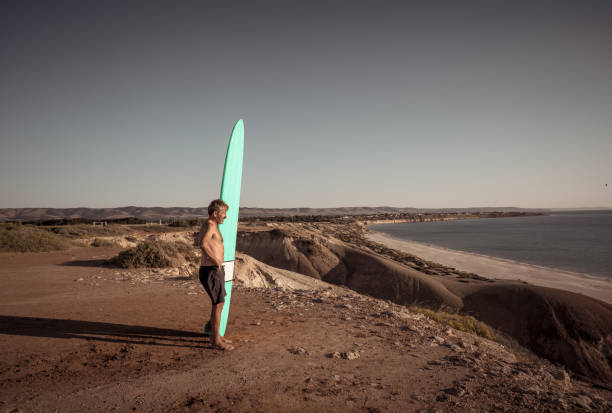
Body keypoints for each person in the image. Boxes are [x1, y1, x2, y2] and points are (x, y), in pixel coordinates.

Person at [197, 199, 234, 351]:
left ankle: (216, 336)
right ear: (215, 213)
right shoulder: (210, 225)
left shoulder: (213, 226)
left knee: (219, 304)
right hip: (211, 269)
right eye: (224, 213)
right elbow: (203, 244)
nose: (225, 216)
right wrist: (216, 261)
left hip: (215, 269)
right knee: (217, 305)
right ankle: (215, 341)